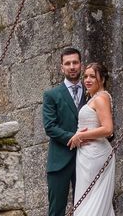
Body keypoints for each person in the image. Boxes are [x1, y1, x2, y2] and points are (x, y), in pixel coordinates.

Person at [42, 47, 87, 216]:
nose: (72, 66)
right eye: (67, 63)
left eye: (75, 62)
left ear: (81, 65)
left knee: (85, 207)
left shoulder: (91, 93)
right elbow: (50, 126)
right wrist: (75, 138)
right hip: (59, 161)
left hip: (86, 158)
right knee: (56, 210)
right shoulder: (51, 94)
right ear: (62, 68)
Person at [68, 62, 115, 215]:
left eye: (92, 76)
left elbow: (108, 129)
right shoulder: (94, 98)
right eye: (85, 76)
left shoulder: (101, 98)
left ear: (101, 79)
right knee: (88, 198)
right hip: (87, 155)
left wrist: (80, 135)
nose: (87, 80)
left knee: (92, 200)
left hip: (95, 154)